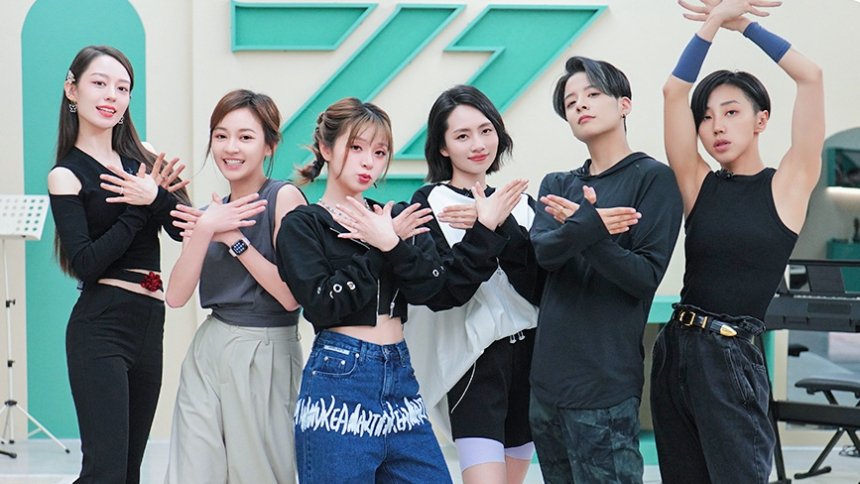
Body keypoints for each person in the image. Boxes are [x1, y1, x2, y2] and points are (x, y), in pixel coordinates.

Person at [651, 0, 823, 482]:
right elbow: (672, 92)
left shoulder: (788, 184)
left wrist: (741, 23)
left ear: (761, 120)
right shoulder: (697, 182)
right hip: (675, 350)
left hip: (730, 356)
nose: (717, 126)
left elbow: (811, 77)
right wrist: (711, 23)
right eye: (706, 118)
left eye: (731, 112)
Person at [276, 97, 453, 483]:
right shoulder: (303, 224)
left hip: (401, 377)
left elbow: (433, 288)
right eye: (356, 148)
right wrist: (379, 247)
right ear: (326, 148)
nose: (368, 162)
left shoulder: (396, 218)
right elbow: (323, 305)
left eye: (379, 152)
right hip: (339, 379)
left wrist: (393, 242)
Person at [528, 56, 683, 483]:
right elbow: (544, 254)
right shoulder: (558, 184)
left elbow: (643, 277)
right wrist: (591, 225)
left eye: (593, 94)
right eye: (570, 101)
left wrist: (585, 229)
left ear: (624, 104)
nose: (580, 104)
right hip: (546, 386)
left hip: (605, 386)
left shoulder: (654, 179)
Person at [47, 45, 189, 483]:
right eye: (100, 83)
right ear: (72, 89)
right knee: (105, 472)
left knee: (128, 472)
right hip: (100, 326)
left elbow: (184, 228)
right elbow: (86, 263)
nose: (112, 95)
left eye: (123, 88)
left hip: (149, 321)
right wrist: (137, 207)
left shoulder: (144, 156)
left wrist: (157, 195)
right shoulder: (66, 174)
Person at [163, 89, 306, 483]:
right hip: (209, 346)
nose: (230, 147)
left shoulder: (284, 197)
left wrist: (233, 240)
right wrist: (206, 228)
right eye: (221, 136)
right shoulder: (209, 213)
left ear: (269, 145)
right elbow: (175, 296)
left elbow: (290, 297)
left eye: (245, 137)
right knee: (192, 472)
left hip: (265, 349)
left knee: (257, 472)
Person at [405, 85, 541, 484]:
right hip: (474, 364)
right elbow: (446, 291)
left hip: (531, 360)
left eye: (485, 130)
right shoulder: (429, 203)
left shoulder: (521, 202)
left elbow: (537, 288)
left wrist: (504, 225)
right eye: (462, 135)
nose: (478, 144)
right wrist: (484, 229)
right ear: (442, 146)